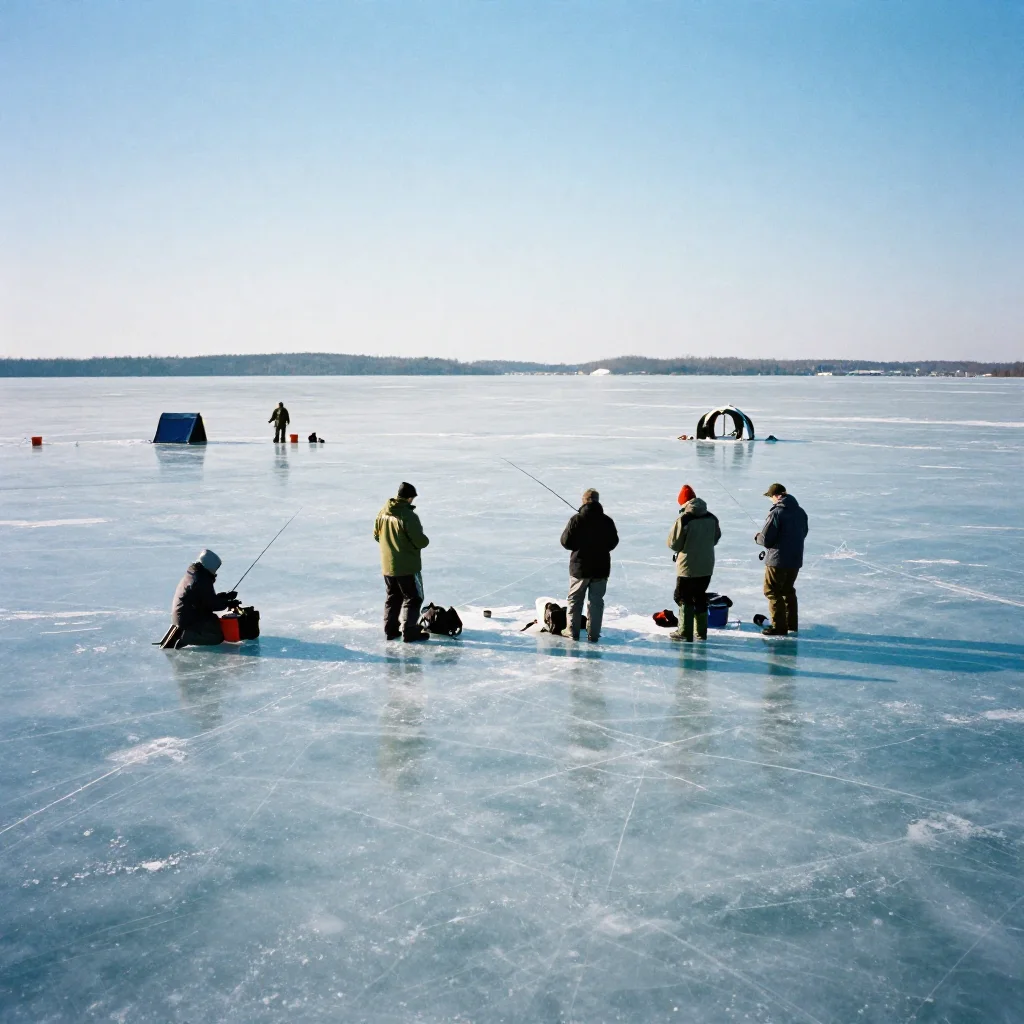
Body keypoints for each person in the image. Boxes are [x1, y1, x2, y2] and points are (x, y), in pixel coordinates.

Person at [374, 482, 431, 643]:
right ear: (409, 498)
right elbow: (420, 541)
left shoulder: (383, 513)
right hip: (407, 566)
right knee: (413, 598)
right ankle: (410, 631)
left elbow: (377, 536)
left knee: (393, 597)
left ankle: (391, 630)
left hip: (387, 566)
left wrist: (390, 546)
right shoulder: (408, 516)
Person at [559, 488, 619, 642]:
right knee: (596, 602)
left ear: (584, 501)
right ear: (598, 501)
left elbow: (566, 542)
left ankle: (572, 632)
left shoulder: (576, 519)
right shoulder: (607, 521)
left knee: (575, 600)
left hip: (580, 568)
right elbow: (613, 542)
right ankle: (593, 635)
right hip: (601, 568)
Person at [666, 484, 721, 642]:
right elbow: (715, 539)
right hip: (707, 565)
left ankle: (684, 632)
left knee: (682, 596)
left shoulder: (684, 519)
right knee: (699, 596)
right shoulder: (711, 517)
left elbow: (674, 544)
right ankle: (701, 632)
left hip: (688, 566)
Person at [754, 483, 809, 636]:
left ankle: (779, 627)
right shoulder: (800, 512)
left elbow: (766, 540)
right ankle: (791, 625)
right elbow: (803, 533)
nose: (771, 500)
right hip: (795, 559)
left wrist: (757, 537)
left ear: (777, 496)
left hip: (777, 561)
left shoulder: (776, 513)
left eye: (771, 497)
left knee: (772, 591)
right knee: (788, 590)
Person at [168, 549, 239, 647]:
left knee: (214, 622)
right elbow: (213, 605)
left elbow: (205, 599)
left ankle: (188, 634)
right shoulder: (201, 580)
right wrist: (228, 603)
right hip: (187, 620)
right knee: (217, 637)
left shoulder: (195, 574)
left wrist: (225, 596)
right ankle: (187, 637)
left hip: (184, 616)